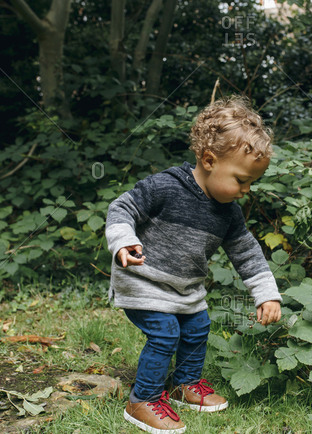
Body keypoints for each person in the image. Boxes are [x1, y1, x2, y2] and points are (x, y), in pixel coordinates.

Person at [105, 96, 283, 433]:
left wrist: (267, 294)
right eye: (241, 180)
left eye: (251, 183)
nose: (245, 190)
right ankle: (142, 399)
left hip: (184, 288)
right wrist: (123, 241)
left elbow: (246, 251)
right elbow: (121, 208)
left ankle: (183, 385)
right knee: (165, 333)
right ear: (209, 160)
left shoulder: (228, 211)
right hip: (143, 279)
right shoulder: (165, 187)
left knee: (198, 327)